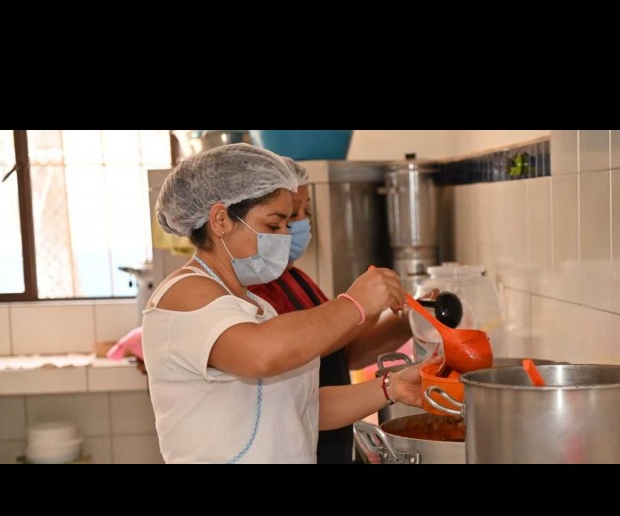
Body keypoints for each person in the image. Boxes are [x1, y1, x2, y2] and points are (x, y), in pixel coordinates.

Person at [142, 143, 426, 464]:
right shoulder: (184, 293)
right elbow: (261, 355)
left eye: (287, 226)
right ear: (220, 220)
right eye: (273, 225)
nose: (284, 238)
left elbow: (301, 410)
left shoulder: (255, 306)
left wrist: (390, 387)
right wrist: (355, 304)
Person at [249, 158, 412, 464]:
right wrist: (356, 305)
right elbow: (294, 389)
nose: (298, 225)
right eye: (284, 218)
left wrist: (407, 322)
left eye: (305, 213)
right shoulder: (251, 295)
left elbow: (342, 353)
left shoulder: (296, 278)